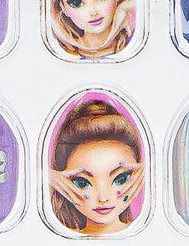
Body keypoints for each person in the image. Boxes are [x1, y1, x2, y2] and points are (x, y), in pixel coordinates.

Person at [48, 98, 146, 235]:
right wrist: (43, 179)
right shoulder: (56, 236)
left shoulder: (150, 231)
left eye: (121, 179)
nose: (103, 198)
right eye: (82, 183)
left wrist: (155, 173)